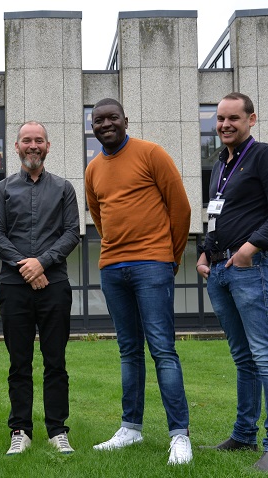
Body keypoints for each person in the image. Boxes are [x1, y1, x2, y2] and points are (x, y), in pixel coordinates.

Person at [84, 98, 193, 465]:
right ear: (92, 126)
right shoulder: (93, 168)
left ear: (125, 120)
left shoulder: (151, 154)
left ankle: (180, 436)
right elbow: (99, 215)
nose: (105, 124)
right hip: (112, 268)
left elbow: (180, 207)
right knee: (128, 351)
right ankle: (131, 428)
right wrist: (116, 248)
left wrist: (170, 257)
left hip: (153, 264)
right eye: (98, 120)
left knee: (162, 350)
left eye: (112, 117)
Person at [195, 92, 268, 473]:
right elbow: (217, 216)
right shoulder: (221, 163)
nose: (224, 125)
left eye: (233, 118)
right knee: (243, 359)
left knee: (267, 356)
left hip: (250, 268)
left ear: (251, 119)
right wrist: (206, 252)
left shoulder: (266, 155)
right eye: (220, 119)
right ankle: (243, 435)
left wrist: (248, 251)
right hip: (219, 271)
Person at [0, 121, 80, 456]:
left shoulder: (64, 188)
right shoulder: (2, 189)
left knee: (56, 361)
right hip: (14, 286)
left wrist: (42, 263)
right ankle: (20, 430)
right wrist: (27, 267)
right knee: (19, 363)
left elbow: (72, 232)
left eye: (38, 140)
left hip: (54, 285)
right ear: (16, 147)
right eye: (26, 140)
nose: (33, 145)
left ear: (48, 146)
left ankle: (57, 430)